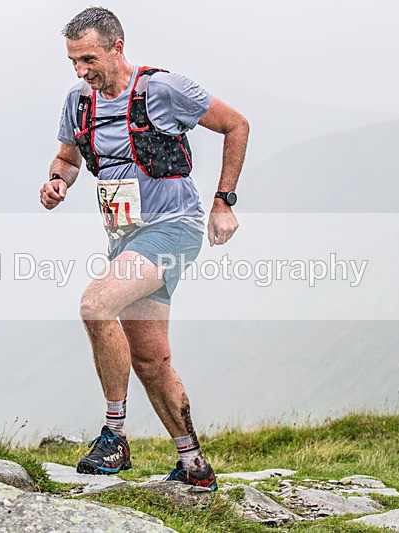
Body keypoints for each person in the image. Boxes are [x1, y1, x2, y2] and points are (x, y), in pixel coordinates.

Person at [39, 7, 248, 490]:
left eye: (88, 58)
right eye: (73, 61)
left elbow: (236, 125)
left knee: (95, 306)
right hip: (124, 235)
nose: (80, 70)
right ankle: (193, 464)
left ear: (118, 47)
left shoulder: (163, 89)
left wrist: (223, 201)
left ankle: (114, 436)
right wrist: (56, 183)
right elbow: (67, 158)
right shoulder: (78, 101)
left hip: (173, 229)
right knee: (151, 360)